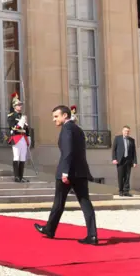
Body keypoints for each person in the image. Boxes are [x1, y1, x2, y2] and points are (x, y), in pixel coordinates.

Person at [34, 105, 98, 245]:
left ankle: (49, 230)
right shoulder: (78, 129)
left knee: (59, 202)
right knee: (85, 202)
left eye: (56, 116)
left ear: (65, 116)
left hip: (68, 172)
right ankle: (92, 235)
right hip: (80, 172)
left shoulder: (67, 129)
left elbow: (68, 151)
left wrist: (65, 172)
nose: (54, 119)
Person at [7, 92, 30, 183]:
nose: (20, 106)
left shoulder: (22, 116)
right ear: (14, 106)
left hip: (23, 138)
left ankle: (21, 176)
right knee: (16, 156)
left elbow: (26, 128)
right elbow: (12, 127)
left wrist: (28, 136)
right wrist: (20, 123)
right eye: (18, 105)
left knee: (23, 157)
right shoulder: (11, 116)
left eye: (20, 105)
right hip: (16, 137)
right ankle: (16, 176)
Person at [112, 126, 138, 197]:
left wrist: (135, 161)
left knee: (127, 176)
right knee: (120, 176)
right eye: (126, 131)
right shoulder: (117, 138)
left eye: (128, 131)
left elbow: (134, 152)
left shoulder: (132, 140)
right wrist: (114, 159)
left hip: (128, 160)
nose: (127, 132)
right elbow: (114, 149)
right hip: (120, 160)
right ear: (122, 131)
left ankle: (126, 191)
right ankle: (121, 191)